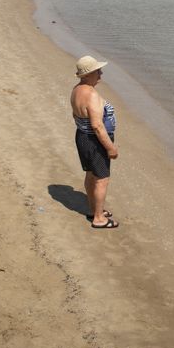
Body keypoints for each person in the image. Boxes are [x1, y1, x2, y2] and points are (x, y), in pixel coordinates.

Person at [70, 56, 119, 229]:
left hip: (82, 137)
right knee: (101, 179)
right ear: (89, 74)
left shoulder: (76, 90)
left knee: (91, 174)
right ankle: (99, 218)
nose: (101, 74)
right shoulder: (91, 95)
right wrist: (110, 148)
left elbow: (75, 115)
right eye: (98, 71)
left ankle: (94, 210)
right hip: (94, 141)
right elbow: (97, 126)